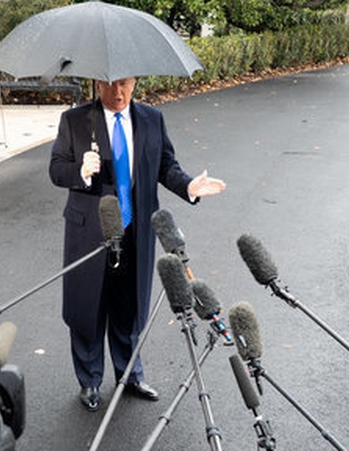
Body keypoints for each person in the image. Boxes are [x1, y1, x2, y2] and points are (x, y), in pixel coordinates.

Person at [49, 77, 226, 411]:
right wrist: (81, 171)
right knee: (88, 308)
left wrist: (189, 186)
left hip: (136, 230)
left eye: (125, 84)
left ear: (134, 83)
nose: (118, 93)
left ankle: (130, 375)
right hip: (90, 232)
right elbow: (56, 169)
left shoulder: (151, 119)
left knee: (129, 307)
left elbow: (166, 166)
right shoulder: (75, 120)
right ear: (97, 84)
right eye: (110, 85)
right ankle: (90, 381)